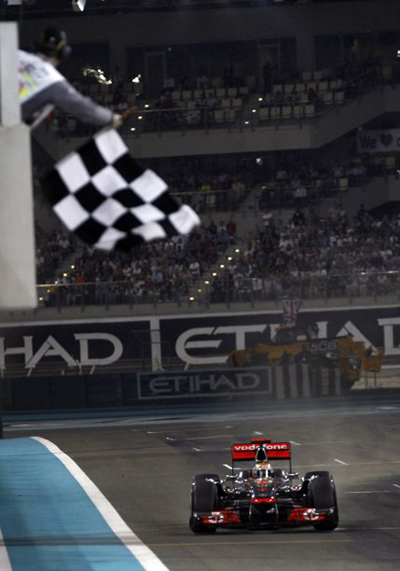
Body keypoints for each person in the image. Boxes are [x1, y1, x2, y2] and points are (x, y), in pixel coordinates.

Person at [19, 27, 122, 130]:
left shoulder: (17, 55)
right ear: (64, 53)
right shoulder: (53, 81)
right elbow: (83, 107)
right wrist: (110, 118)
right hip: (11, 125)